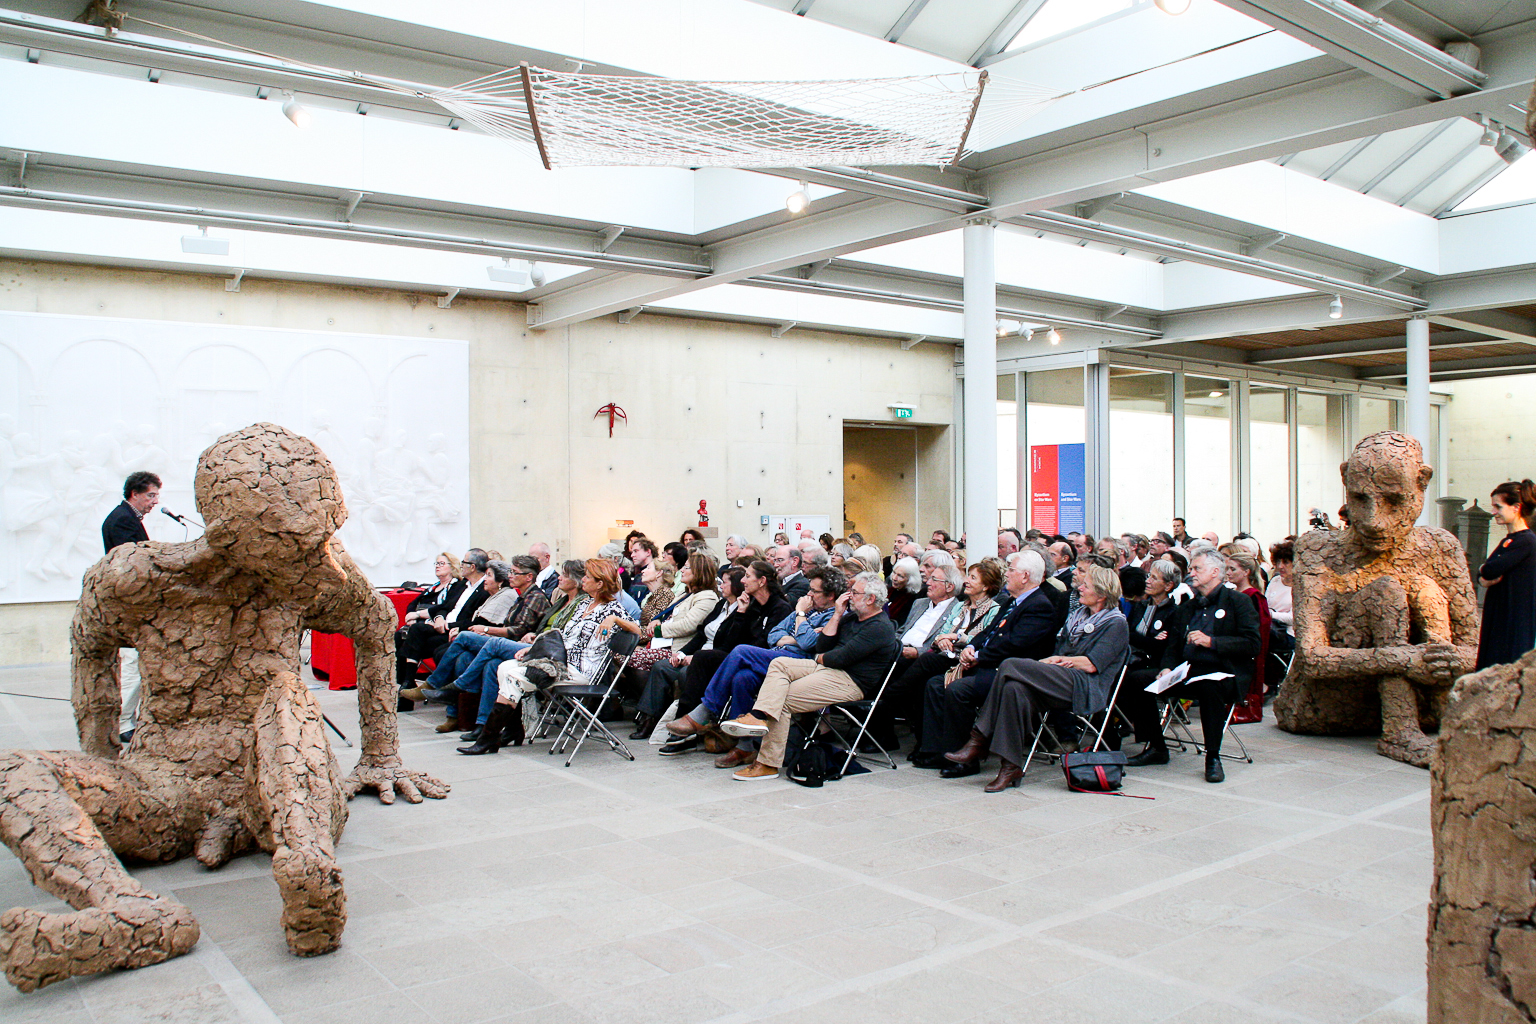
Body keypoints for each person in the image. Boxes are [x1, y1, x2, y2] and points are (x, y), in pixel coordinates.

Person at [0, 425, 444, 990]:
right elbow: (91, 655)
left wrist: (380, 756)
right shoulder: (130, 578)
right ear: (236, 527)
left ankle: (306, 861)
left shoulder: (311, 576)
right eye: (305, 536)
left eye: (328, 527)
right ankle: (129, 911)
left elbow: (378, 626)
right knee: (11, 770)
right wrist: (100, 760)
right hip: (161, 788)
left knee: (285, 695)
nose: (322, 547)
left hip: (279, 787)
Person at [947, 564, 1130, 792]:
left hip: (1084, 685)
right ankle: (1010, 767)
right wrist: (1056, 660)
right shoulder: (1078, 616)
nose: (1079, 588)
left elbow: (1092, 665)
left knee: (1010, 665)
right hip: (1059, 679)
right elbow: (1061, 650)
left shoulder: (1116, 623)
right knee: (1014, 689)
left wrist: (1056, 661)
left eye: (1086, 585)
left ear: (1102, 593)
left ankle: (980, 737)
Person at [720, 572, 900, 780]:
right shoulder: (850, 617)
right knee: (779, 663)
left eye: (854, 593)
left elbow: (838, 658)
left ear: (870, 599)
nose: (848, 596)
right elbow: (822, 645)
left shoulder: (879, 627)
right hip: (827, 669)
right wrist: (837, 615)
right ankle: (758, 717)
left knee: (783, 699)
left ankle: (767, 764)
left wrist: (822, 657)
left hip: (850, 681)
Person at [466, 560, 635, 754]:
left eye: (588, 576)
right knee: (504, 667)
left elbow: (638, 631)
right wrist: (534, 649)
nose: (583, 579)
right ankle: (513, 730)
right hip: (560, 661)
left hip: (580, 671)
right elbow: (562, 635)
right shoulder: (584, 604)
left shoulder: (612, 608)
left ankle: (488, 738)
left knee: (514, 676)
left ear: (599, 583)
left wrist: (613, 619)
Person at [1122, 548, 1260, 783]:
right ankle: (1156, 746)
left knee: (1209, 687)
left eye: (1197, 568)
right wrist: (1167, 667)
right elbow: (1173, 646)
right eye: (1192, 568)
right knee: (1138, 679)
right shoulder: (1187, 607)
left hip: (1223, 672)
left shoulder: (1239, 601)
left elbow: (1252, 643)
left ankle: (1213, 757)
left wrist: (1212, 642)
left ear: (1215, 572)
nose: (1192, 573)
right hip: (1188, 670)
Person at [913, 551, 1058, 773]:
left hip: (1011, 675)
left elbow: (1014, 644)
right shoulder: (1014, 601)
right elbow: (988, 633)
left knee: (957, 689)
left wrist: (979, 657)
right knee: (934, 684)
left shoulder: (1039, 606)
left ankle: (964, 760)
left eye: (1011, 570)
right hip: (990, 665)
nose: (1006, 574)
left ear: (1025, 576)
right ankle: (935, 751)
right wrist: (971, 647)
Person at [101, 471, 161, 741]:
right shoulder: (122, 521)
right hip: (129, 604)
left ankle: (128, 719)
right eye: (150, 495)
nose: (155, 501)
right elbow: (132, 562)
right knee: (132, 664)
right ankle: (123, 724)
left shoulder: (126, 517)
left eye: (156, 495)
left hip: (134, 602)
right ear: (134, 494)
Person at [1476, 480, 1536, 670]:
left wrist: (1484, 574)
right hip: (1501, 618)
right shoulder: (1509, 541)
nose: (1493, 512)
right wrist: (1483, 575)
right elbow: (1484, 573)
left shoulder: (1526, 541)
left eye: (1498, 506)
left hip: (1513, 622)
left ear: (1516, 507)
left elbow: (1488, 570)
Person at [1224, 550, 1271, 724]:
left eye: (1232, 569)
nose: (1228, 573)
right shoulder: (1234, 595)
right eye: (1227, 568)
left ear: (1246, 572)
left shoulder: (1253, 597)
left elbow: (1260, 630)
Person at [885, 556, 922, 627]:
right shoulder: (890, 590)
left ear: (911, 579)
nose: (894, 578)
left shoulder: (912, 600)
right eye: (894, 573)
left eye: (900, 576)